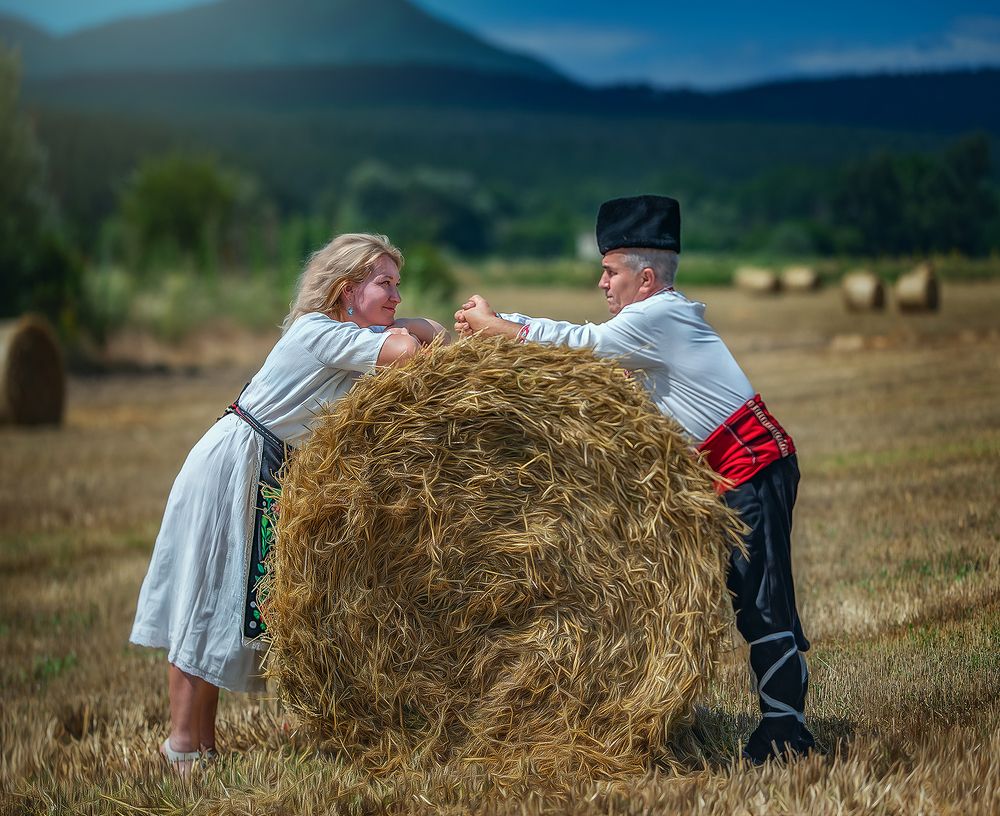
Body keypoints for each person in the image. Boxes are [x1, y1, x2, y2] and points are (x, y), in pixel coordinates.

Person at [454, 196, 814, 764]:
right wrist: (502, 322)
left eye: (610, 271)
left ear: (645, 279)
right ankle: (777, 721)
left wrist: (499, 328)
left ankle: (787, 734)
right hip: (728, 471)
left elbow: (584, 348)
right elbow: (579, 338)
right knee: (746, 595)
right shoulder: (650, 323)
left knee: (761, 599)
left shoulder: (660, 316)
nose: (601, 282)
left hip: (752, 465)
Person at [130, 233, 447, 773]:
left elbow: (436, 336)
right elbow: (411, 352)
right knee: (202, 598)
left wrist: (402, 322)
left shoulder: (347, 336)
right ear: (347, 290)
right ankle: (182, 746)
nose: (396, 296)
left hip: (259, 466)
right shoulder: (319, 331)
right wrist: (402, 329)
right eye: (385, 284)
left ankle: (201, 748)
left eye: (399, 284)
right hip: (233, 465)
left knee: (223, 603)